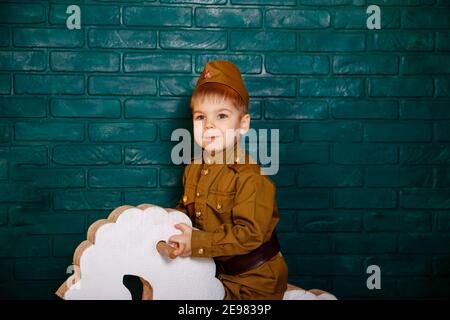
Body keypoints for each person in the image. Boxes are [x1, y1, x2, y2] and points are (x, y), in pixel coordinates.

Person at [168, 60, 288, 300]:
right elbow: (187, 213)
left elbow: (251, 234)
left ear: (242, 124)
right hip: (216, 273)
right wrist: (167, 226)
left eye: (221, 115)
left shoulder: (250, 177)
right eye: (201, 117)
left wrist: (197, 242)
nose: (209, 125)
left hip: (253, 281)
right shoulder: (193, 168)